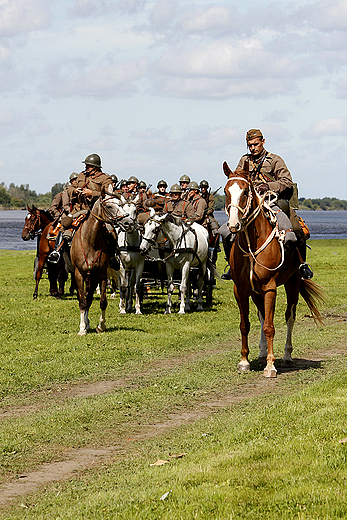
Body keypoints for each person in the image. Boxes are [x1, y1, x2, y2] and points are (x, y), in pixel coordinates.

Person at [220, 129, 313, 280]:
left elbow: (287, 182)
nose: (252, 148)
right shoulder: (244, 160)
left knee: (294, 228)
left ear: (263, 142)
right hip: (251, 203)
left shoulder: (275, 160)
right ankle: (232, 266)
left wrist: (268, 186)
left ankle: (302, 265)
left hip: (273, 200)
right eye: (249, 145)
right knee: (224, 232)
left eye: (255, 144)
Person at [48, 154, 113, 262]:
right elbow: (70, 188)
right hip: (79, 209)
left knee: (110, 230)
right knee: (65, 225)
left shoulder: (105, 178)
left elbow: (109, 194)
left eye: (88, 166)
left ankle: (113, 257)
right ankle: (57, 251)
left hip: (97, 211)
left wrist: (91, 193)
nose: (86, 167)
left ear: (95, 167)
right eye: (86, 165)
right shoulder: (81, 176)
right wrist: (74, 191)